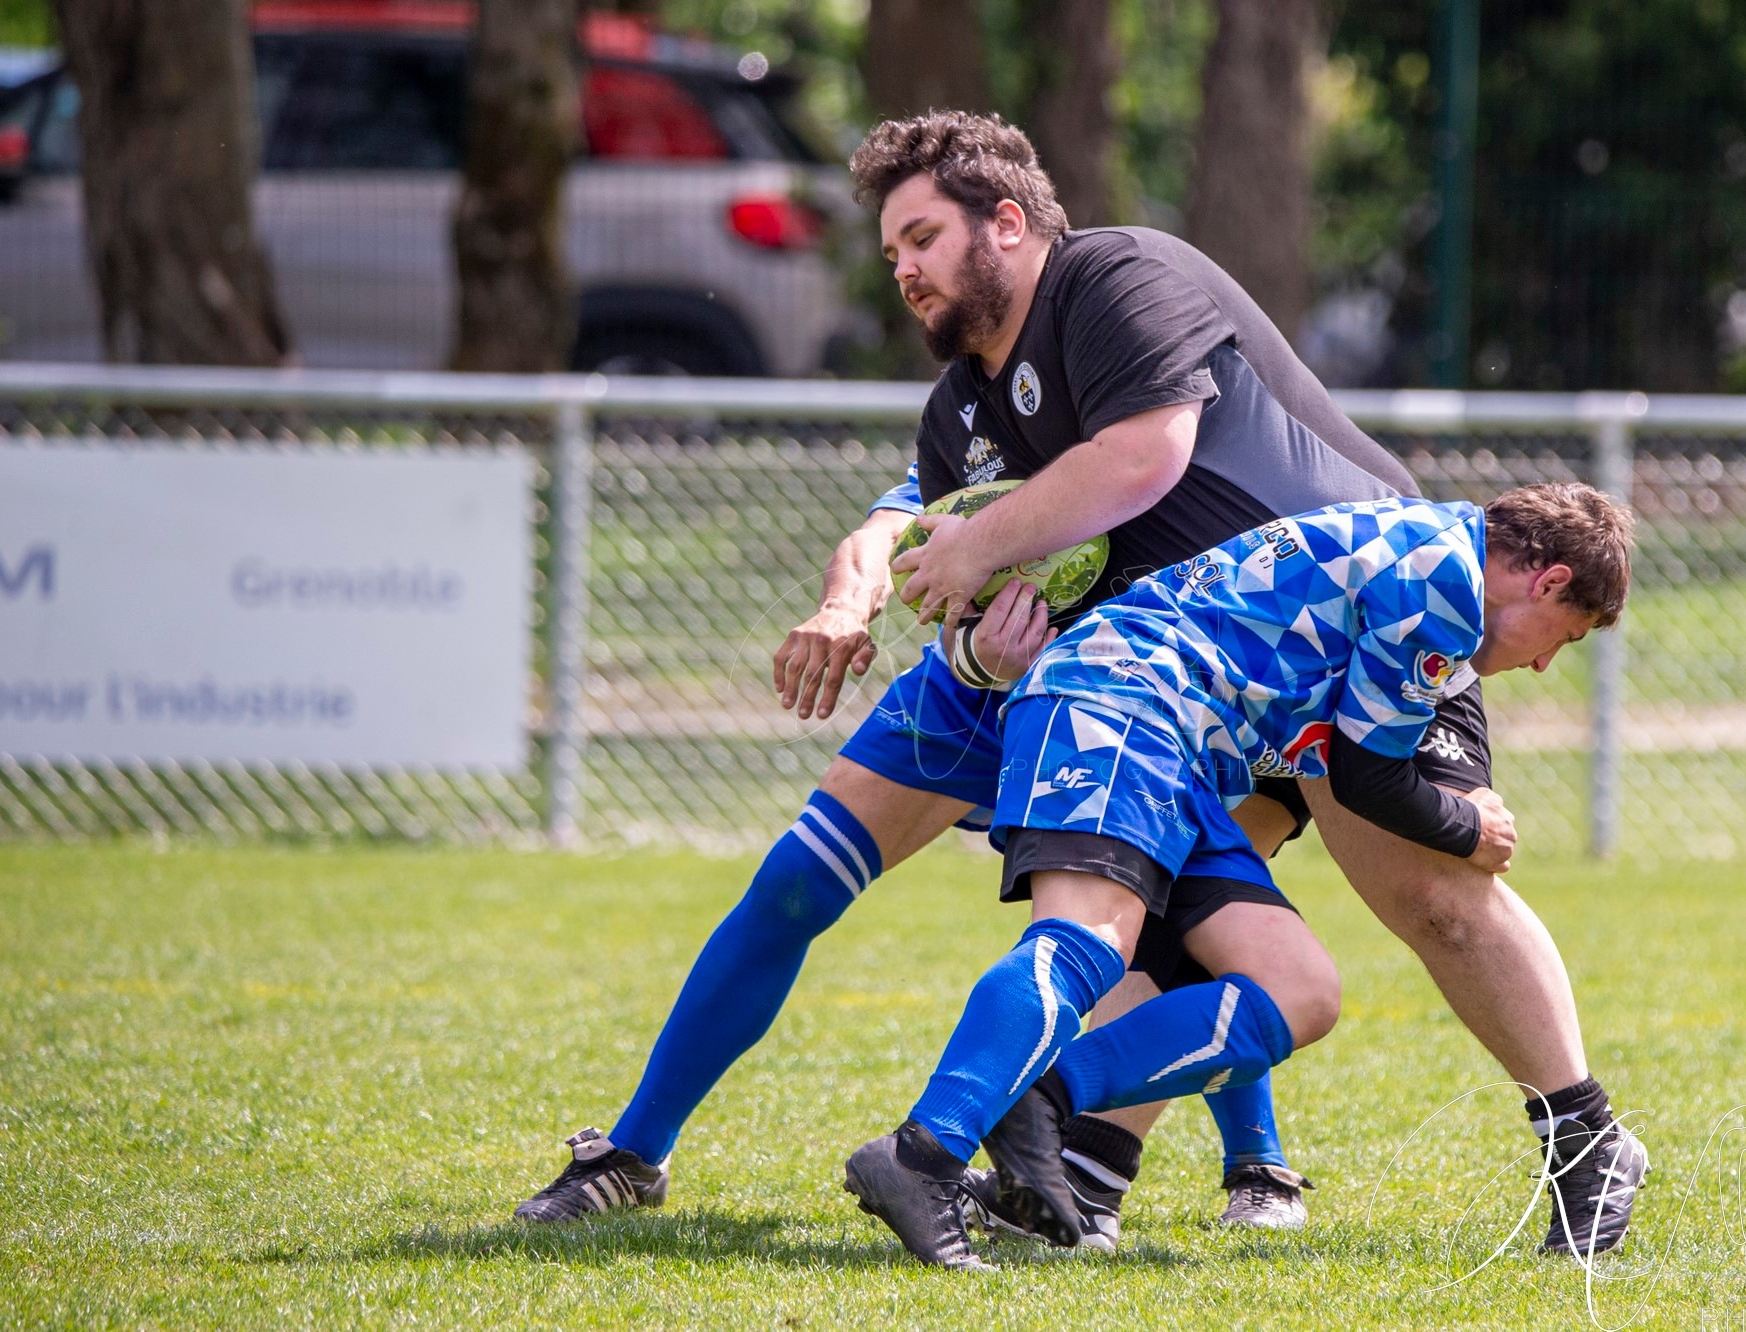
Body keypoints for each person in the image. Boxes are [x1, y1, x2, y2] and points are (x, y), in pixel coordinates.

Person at [514, 110, 1635, 1257]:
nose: (898, 268)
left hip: (1335, 648)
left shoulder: (1116, 277)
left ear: (1007, 224)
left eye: (919, 238)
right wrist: (872, 610)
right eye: (889, 247)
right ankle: (659, 1152)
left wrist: (972, 553)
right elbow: (910, 536)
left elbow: (1141, 455)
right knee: (818, 888)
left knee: (1424, 894)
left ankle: (1567, 1137)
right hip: (1120, 681)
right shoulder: (962, 404)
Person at [844, 483, 1645, 1269]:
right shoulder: (1445, 580)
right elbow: (1368, 777)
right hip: (1119, 702)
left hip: (1172, 742)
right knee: (1087, 943)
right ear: (1549, 582)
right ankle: (923, 1157)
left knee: (1299, 990)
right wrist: (1469, 826)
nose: (1542, 663)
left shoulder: (1424, 540)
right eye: (1562, 637)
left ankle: (1042, 1103)